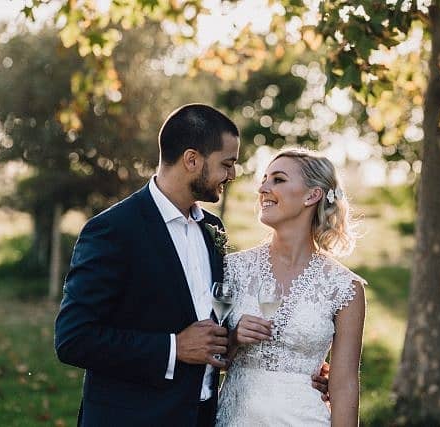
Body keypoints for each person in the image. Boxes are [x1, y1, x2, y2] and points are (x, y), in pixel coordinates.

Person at [54, 104, 328, 427]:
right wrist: (174, 347)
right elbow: (74, 339)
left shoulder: (212, 229)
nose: (233, 174)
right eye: (227, 164)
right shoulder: (113, 231)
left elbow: (210, 324)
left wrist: (288, 368)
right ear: (192, 160)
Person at [216, 149, 366, 426]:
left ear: (312, 195)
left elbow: (344, 386)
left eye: (278, 180)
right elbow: (205, 358)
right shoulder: (229, 269)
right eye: (264, 180)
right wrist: (234, 337)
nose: (263, 188)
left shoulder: (346, 288)